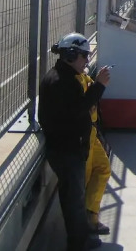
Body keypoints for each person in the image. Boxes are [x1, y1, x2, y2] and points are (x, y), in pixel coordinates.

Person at [39, 33, 110, 250]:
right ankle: (79, 243)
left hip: (68, 148)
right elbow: (78, 109)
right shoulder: (61, 82)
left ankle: (80, 237)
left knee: (74, 198)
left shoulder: (64, 77)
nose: (87, 61)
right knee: (74, 201)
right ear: (70, 55)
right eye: (84, 56)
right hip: (67, 150)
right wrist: (99, 86)